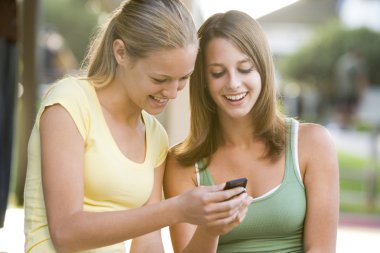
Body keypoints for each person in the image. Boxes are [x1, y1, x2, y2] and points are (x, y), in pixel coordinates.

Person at [23, 1, 251, 252]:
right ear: (120, 52)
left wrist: (210, 226)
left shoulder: (154, 136)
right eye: (160, 79)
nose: (173, 92)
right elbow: (66, 233)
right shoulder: (70, 102)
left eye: (184, 78)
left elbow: (147, 245)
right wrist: (176, 209)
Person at [164, 10, 340, 253]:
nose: (233, 83)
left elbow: (321, 249)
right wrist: (211, 228)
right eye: (218, 72)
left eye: (245, 69)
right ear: (203, 80)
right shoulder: (182, 164)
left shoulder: (312, 144)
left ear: (263, 71)